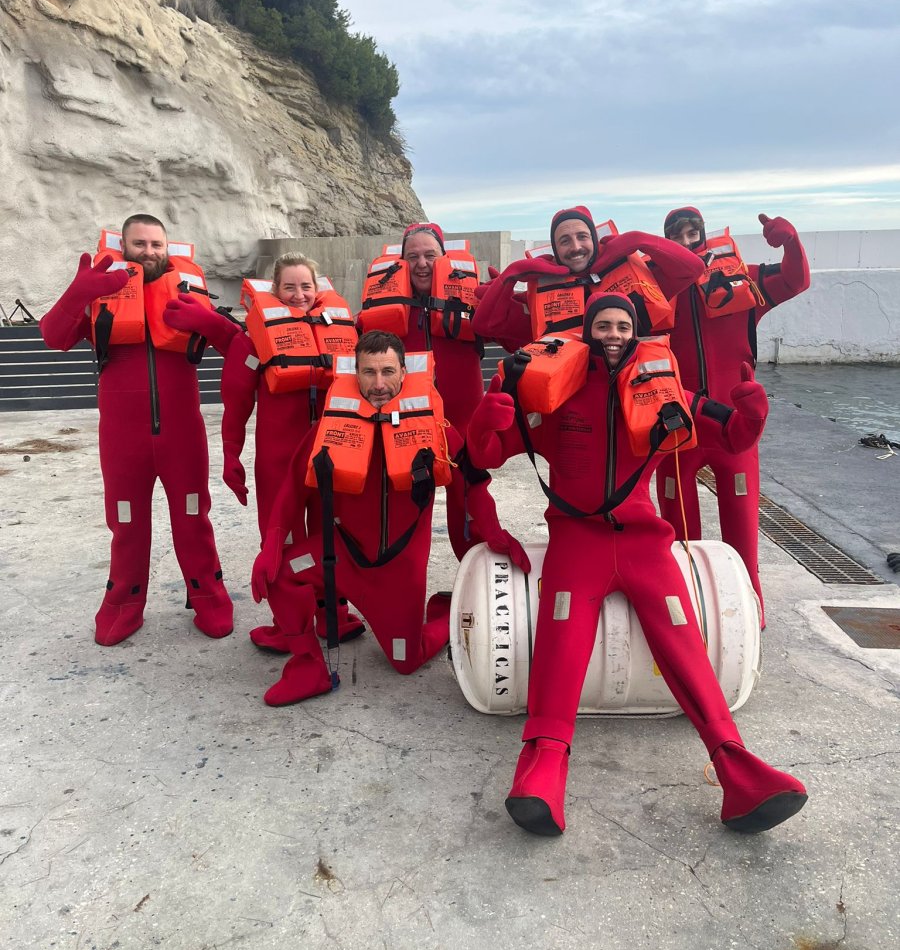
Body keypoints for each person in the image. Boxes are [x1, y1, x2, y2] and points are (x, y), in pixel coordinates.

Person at [466, 292, 807, 836]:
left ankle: (738, 770)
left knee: (684, 643)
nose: (614, 332)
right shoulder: (555, 393)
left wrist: (751, 413)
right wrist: (487, 418)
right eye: (603, 324)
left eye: (623, 324)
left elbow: (731, 435)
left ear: (636, 331)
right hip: (577, 543)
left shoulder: (664, 391)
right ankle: (542, 771)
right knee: (560, 642)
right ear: (588, 330)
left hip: (646, 543)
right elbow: (486, 453)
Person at [251, 330, 528, 707]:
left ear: (403, 372)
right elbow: (291, 490)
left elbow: (473, 487)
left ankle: (443, 616)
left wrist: (493, 534)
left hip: (398, 575)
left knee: (406, 661)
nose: (378, 384)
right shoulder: (328, 428)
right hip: (340, 560)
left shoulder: (438, 431)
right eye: (368, 372)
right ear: (356, 375)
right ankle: (307, 665)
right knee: (281, 572)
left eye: (387, 371)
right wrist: (271, 545)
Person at [40, 214, 240, 645]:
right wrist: (78, 294)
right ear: (124, 247)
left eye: (156, 244)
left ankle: (208, 593)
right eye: (139, 244)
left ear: (168, 249)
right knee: (126, 524)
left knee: (192, 517)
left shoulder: (191, 291)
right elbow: (52, 337)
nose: (148, 251)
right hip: (122, 438)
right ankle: (124, 601)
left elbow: (241, 349)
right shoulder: (102, 293)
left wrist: (211, 323)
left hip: (181, 436)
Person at [655, 208, 810, 626]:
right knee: (679, 534)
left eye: (693, 233)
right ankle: (688, 609)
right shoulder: (653, 288)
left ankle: (748, 609)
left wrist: (791, 241)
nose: (686, 241)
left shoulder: (744, 279)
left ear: (704, 235)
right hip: (678, 427)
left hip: (736, 428)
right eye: (676, 236)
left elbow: (796, 280)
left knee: (741, 530)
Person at [219, 253, 365, 651]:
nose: (299, 294)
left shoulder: (343, 330)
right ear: (274, 290)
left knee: (328, 535)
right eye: (289, 286)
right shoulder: (251, 339)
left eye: (306, 286)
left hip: (329, 455)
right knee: (280, 540)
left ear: (318, 291)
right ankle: (289, 624)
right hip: (278, 461)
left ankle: (331, 612)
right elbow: (236, 403)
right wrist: (231, 455)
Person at [360, 223, 486, 559]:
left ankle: (475, 584)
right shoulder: (380, 311)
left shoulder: (474, 303)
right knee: (408, 510)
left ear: (445, 259)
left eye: (430, 255)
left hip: (463, 424)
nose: (421, 263)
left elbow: (517, 328)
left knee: (472, 513)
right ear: (400, 263)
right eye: (412, 256)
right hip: (408, 425)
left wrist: (501, 290)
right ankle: (404, 600)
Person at [472, 205, 706, 353]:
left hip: (635, 397)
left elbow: (693, 268)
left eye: (582, 237)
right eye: (564, 241)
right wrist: (511, 274)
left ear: (594, 238)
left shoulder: (636, 273)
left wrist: (637, 239)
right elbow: (484, 325)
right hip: (577, 411)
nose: (576, 247)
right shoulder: (540, 294)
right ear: (555, 247)